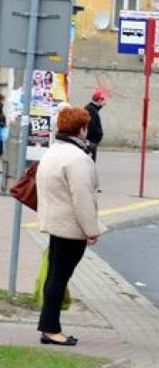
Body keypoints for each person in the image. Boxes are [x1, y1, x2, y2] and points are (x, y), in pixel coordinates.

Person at [35, 105, 104, 346]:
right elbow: (83, 198)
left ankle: (49, 327)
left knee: (55, 275)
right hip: (71, 227)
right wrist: (91, 230)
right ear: (81, 129)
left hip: (55, 223)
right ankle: (51, 329)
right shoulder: (77, 159)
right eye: (86, 126)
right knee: (59, 277)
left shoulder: (54, 152)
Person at [85, 88, 107, 160]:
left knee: (90, 160)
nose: (104, 102)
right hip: (92, 140)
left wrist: (100, 106)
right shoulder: (91, 110)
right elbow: (92, 126)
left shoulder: (91, 108)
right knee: (91, 161)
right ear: (99, 100)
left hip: (92, 140)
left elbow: (95, 109)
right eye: (102, 100)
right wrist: (98, 135)